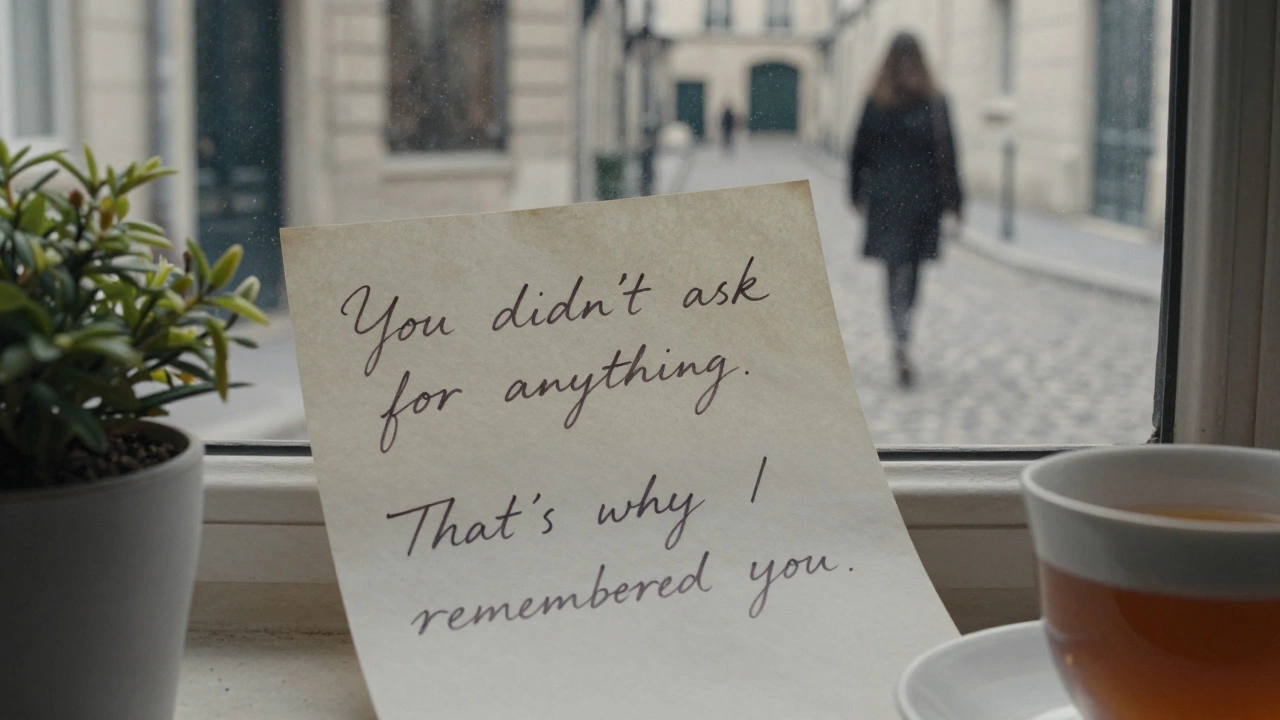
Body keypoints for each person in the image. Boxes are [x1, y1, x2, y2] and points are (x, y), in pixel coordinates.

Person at [849, 32, 962, 389]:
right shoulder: (935, 102)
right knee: (912, 271)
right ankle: (905, 332)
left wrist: (855, 193)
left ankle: (899, 335)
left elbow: (858, 151)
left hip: (886, 200)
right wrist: (956, 202)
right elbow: (949, 155)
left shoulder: (876, 100)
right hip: (922, 200)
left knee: (892, 271)